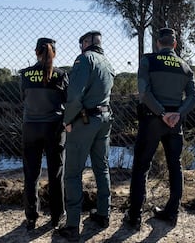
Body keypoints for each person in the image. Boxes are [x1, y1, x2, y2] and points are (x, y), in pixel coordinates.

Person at [125, 28, 195, 230]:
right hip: (175, 123)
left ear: (158, 43)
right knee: (175, 166)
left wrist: (161, 113)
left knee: (141, 167)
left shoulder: (148, 60)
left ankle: (134, 217)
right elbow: (194, 97)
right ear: (174, 45)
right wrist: (178, 114)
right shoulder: (185, 66)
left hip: (152, 120)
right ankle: (171, 213)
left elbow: (143, 91)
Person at [57, 31, 115, 242]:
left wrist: (67, 120)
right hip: (105, 118)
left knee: (72, 173)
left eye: (81, 42)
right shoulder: (107, 63)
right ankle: (103, 214)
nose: (80, 46)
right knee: (102, 167)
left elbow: (74, 95)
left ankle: (72, 225)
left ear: (87, 42)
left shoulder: (84, 59)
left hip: (84, 122)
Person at [19, 37, 68, 231]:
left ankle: (31, 217)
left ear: (36, 52)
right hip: (54, 129)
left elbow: (23, 97)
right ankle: (57, 216)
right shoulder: (61, 75)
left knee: (31, 174)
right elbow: (68, 100)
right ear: (54, 54)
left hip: (30, 128)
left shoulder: (25, 74)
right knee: (56, 174)